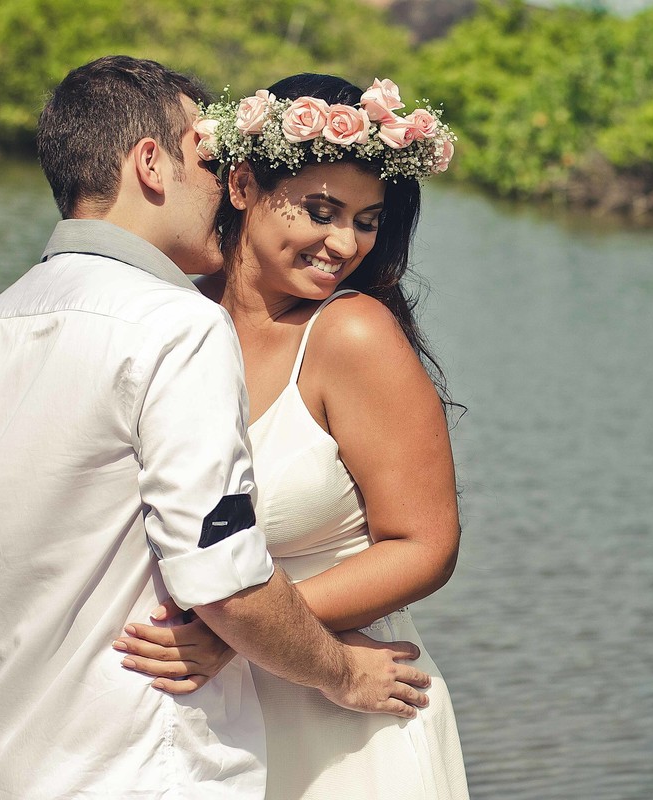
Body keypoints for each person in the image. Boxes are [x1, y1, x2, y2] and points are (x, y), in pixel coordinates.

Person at [0, 56, 432, 799]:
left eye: (365, 222)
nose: (223, 179)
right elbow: (223, 584)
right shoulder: (178, 326)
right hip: (146, 755)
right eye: (208, 158)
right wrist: (342, 671)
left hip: (13, 758)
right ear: (151, 165)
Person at [114, 73, 469, 799]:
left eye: (367, 220)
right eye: (321, 210)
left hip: (348, 725)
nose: (345, 243)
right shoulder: (167, 322)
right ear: (241, 185)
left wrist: (245, 630)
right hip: (198, 730)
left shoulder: (352, 334)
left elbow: (425, 547)